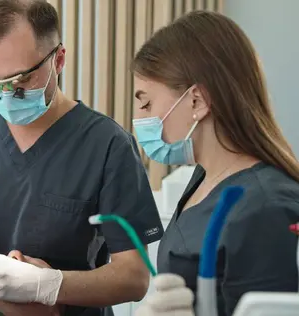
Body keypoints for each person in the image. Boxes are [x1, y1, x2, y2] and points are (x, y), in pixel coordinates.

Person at [0, 0, 164, 315]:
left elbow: (134, 278)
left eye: (21, 81)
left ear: (58, 60)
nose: (6, 96)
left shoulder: (108, 145)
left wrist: (48, 285)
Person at [130, 11, 299, 316]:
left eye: (146, 104)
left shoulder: (266, 207)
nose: (140, 119)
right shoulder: (203, 178)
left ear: (197, 101)